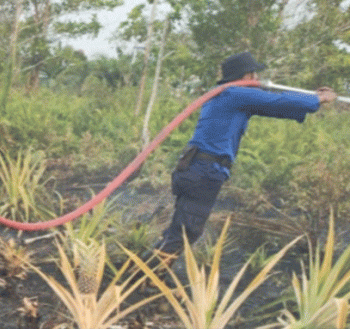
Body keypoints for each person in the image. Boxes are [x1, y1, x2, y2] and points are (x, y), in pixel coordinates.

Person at [144, 51, 337, 268]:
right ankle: (146, 278)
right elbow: (278, 101)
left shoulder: (228, 96)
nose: (257, 80)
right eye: (254, 75)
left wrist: (312, 99)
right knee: (186, 231)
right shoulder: (235, 94)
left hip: (196, 168)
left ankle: (148, 274)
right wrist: (319, 98)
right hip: (204, 171)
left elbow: (278, 107)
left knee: (182, 229)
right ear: (245, 76)